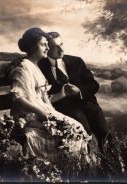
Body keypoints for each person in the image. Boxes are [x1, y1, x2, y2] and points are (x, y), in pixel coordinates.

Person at [7, 27, 89, 161]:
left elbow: (41, 99)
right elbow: (17, 98)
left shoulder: (35, 67)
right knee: (68, 132)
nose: (47, 48)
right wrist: (42, 113)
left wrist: (60, 96)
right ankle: (61, 168)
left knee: (77, 127)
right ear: (33, 46)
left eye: (47, 45)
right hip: (28, 117)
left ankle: (73, 169)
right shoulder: (22, 68)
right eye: (43, 45)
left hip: (42, 113)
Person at [38, 32, 109, 150]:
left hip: (85, 103)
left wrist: (79, 91)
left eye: (61, 44)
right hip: (62, 108)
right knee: (83, 131)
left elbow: (94, 85)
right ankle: (86, 163)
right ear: (46, 48)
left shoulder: (76, 62)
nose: (61, 49)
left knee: (104, 133)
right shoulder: (40, 65)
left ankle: (111, 163)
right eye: (55, 46)